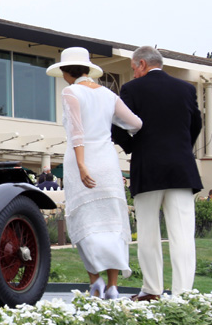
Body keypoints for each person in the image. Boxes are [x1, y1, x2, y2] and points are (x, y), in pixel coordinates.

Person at [48, 47, 142, 300]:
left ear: (67, 73)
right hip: (107, 161)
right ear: (87, 69)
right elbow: (135, 123)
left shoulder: (70, 91)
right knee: (112, 222)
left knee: (85, 222)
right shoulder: (108, 95)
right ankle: (113, 285)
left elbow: (76, 132)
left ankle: (95, 281)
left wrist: (81, 165)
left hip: (82, 160)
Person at [112, 46, 202, 301]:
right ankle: (184, 293)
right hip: (181, 168)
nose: (134, 74)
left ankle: (152, 290)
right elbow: (196, 124)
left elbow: (118, 124)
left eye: (133, 69)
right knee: (183, 234)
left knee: (148, 233)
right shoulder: (186, 89)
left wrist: (133, 148)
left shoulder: (132, 90)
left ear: (141, 64)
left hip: (147, 168)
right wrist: (184, 148)